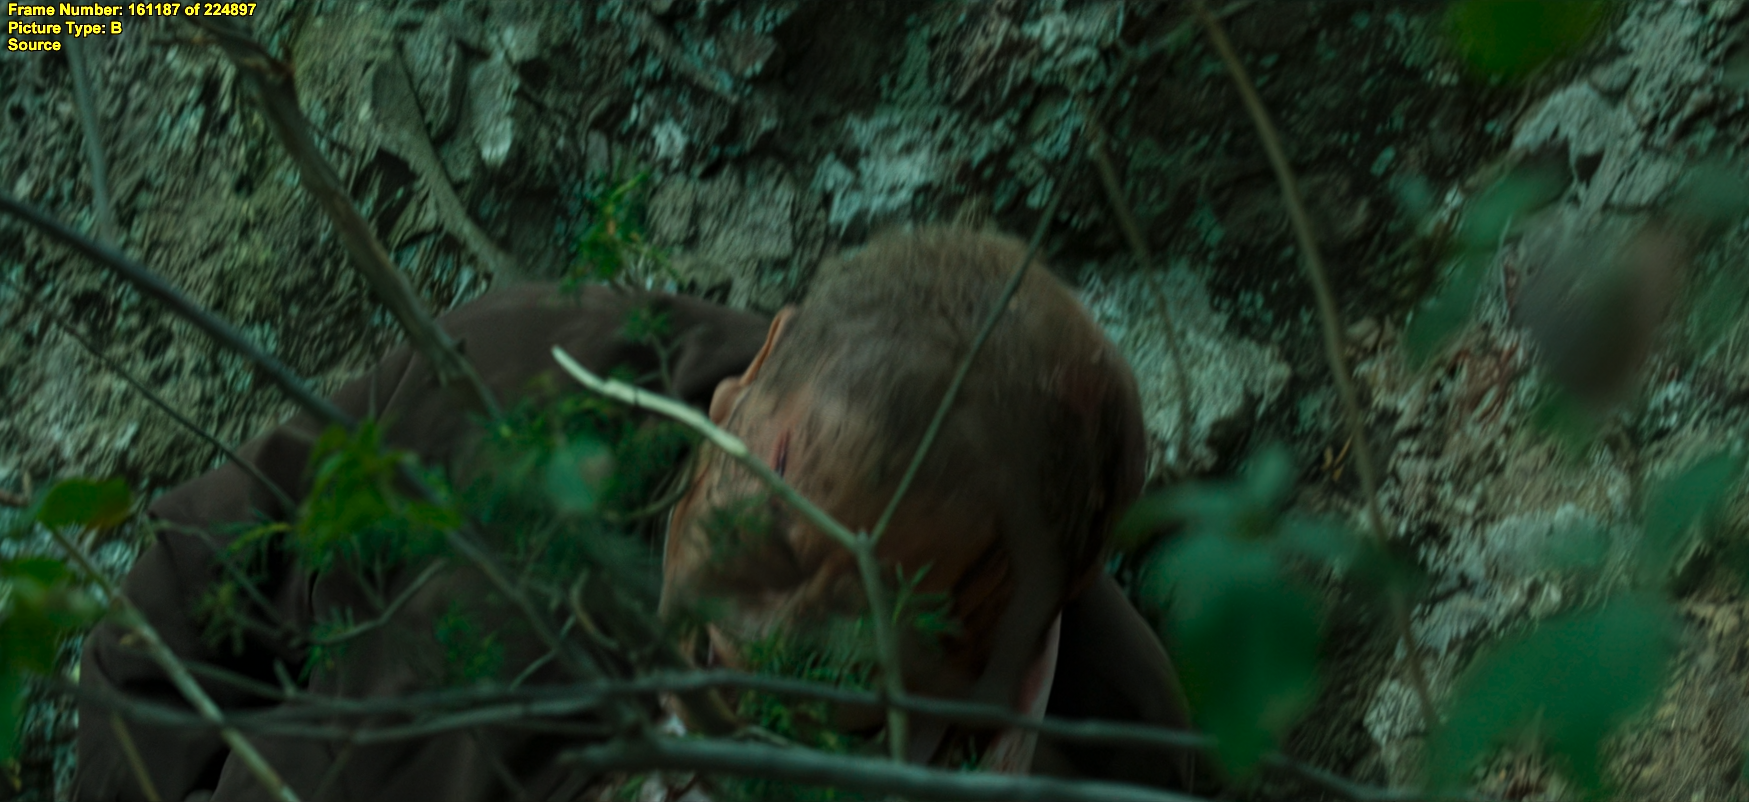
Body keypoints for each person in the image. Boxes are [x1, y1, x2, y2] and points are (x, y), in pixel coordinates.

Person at [76, 226, 1193, 801]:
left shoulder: (1112, 754)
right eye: (762, 538)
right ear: (757, 375)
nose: (761, 639)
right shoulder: (511, 391)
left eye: (857, 618)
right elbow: (170, 623)